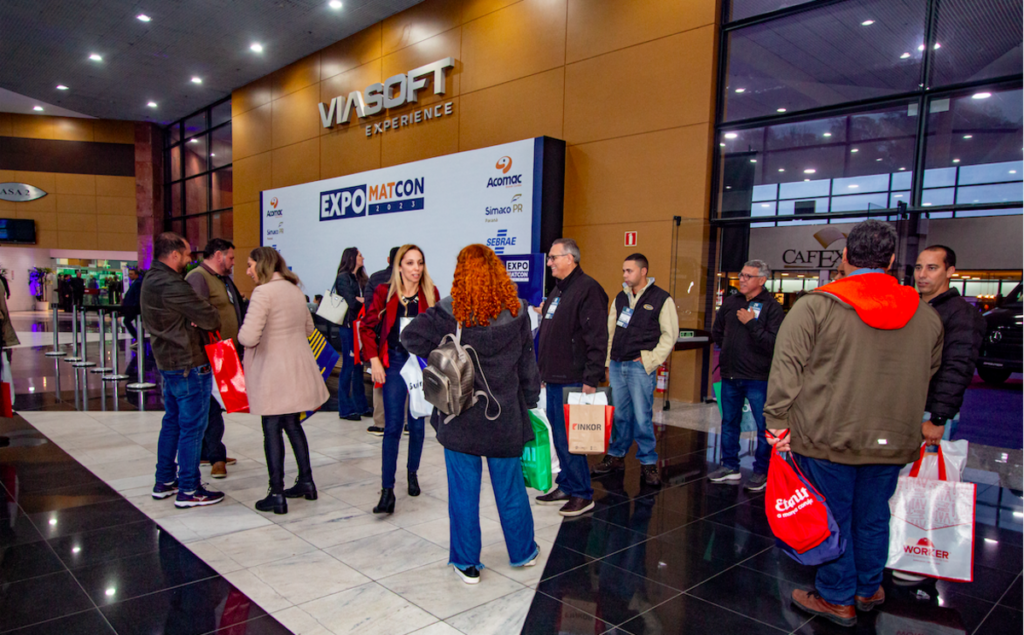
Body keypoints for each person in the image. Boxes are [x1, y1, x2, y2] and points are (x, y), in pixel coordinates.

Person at [764, 220, 943, 627]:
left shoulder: (816, 305)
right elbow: (929, 371)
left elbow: (787, 369)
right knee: (874, 515)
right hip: (894, 437)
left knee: (834, 517)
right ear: (893, 261)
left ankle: (836, 596)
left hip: (828, 436)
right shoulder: (925, 314)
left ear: (844, 257)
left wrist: (777, 422)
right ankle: (868, 587)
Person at [403, 244, 541, 584]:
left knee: (463, 493)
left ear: (461, 274)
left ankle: (467, 563)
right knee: (510, 490)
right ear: (498, 272)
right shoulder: (519, 311)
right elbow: (527, 366)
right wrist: (531, 400)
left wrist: (444, 353)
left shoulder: (449, 312)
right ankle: (522, 552)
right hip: (505, 416)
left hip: (459, 416)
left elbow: (409, 337)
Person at [238, 247, 329, 514]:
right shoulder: (294, 290)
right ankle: (306, 481)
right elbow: (309, 329)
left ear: (262, 265)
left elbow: (248, 337)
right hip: (297, 369)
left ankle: (276, 493)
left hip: (272, 373)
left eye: (250, 265)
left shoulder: (263, 293)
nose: (247, 271)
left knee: (271, 428)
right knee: (292, 424)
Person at [141, 232, 224, 508]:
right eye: (187, 254)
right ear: (174, 254)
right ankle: (189, 488)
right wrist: (199, 318)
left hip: (169, 363)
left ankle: (164, 479)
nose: (190, 259)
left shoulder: (151, 279)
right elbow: (210, 317)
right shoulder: (171, 284)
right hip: (188, 363)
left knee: (173, 421)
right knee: (192, 427)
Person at [359, 244, 439, 515]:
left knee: (417, 424)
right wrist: (374, 361)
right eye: (410, 263)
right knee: (393, 426)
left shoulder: (431, 293)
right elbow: (367, 327)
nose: (416, 268)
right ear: (399, 266)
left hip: (421, 363)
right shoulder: (385, 292)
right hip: (393, 361)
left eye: (420, 263)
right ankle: (387, 490)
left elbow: (440, 331)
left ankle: (412, 473)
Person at [535, 238, 608, 517]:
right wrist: (543, 371)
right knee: (560, 436)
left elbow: (597, 339)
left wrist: (591, 379)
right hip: (555, 377)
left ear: (570, 258)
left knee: (574, 439)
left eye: (553, 258)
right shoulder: (559, 290)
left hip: (576, 380)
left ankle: (582, 493)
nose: (549, 263)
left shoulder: (588, 290)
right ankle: (566, 483)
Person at [592, 253, 678, 487]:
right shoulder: (620, 298)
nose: (624, 275)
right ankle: (616, 456)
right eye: (623, 271)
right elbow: (610, 333)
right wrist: (608, 363)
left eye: (628, 271)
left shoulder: (661, 298)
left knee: (642, 417)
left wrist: (651, 359)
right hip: (618, 365)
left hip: (641, 367)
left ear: (643, 272)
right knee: (619, 415)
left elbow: (671, 335)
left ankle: (648, 463)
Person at [708, 259, 784, 492]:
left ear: (762, 280)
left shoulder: (772, 308)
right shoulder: (731, 302)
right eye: (741, 275)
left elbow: (773, 343)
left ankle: (762, 471)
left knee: (763, 427)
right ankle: (730, 466)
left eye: (748, 276)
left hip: (758, 378)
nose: (741, 279)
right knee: (729, 423)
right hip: (731, 375)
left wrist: (752, 324)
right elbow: (717, 332)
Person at [915, 245, 987, 442]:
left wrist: (938, 419)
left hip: (931, 415)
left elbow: (957, 368)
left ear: (949, 271)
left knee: (926, 472)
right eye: (918, 267)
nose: (922, 274)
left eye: (931, 268)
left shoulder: (962, 314)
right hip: (910, 410)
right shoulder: (916, 308)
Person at [186, 238, 244, 480]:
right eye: (230, 257)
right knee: (211, 406)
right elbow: (196, 315)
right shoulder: (198, 277)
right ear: (219, 255)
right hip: (209, 354)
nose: (233, 262)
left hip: (226, 352)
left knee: (219, 404)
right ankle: (216, 456)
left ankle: (208, 451)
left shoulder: (223, 278)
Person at [363, 246, 400, 436]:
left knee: (380, 377)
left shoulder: (376, 278)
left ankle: (380, 422)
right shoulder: (412, 279)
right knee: (409, 377)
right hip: (404, 336)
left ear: (388, 259)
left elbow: (369, 306)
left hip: (379, 335)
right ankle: (408, 422)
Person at [332, 247, 371, 421]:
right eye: (359, 255)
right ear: (352, 258)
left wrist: (361, 300)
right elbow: (351, 302)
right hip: (348, 327)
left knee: (358, 366)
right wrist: (361, 300)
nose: (362, 257)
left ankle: (361, 406)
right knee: (348, 366)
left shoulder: (361, 278)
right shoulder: (343, 278)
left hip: (359, 326)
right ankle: (345, 409)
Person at [122, 268, 145, 339]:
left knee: (127, 321)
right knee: (137, 323)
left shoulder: (137, 283)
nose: (129, 276)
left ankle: (138, 337)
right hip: (132, 307)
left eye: (131, 274)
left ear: (136, 275)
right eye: (129, 274)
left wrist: (135, 306)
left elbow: (137, 295)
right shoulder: (134, 283)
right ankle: (139, 338)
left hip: (134, 308)